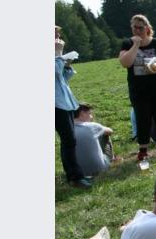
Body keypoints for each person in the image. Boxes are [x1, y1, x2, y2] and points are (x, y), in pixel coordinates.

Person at [118, 14, 156, 162]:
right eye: (134, 27)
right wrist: (136, 45)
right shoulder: (127, 44)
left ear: (147, 28)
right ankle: (143, 150)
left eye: (140, 27)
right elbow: (125, 63)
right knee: (142, 118)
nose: (137, 30)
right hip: (139, 91)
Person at [55, 25, 90, 189]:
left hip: (64, 101)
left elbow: (62, 79)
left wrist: (67, 64)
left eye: (58, 33)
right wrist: (58, 54)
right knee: (68, 139)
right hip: (55, 104)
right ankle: (75, 177)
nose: (58, 36)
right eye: (54, 33)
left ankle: (75, 175)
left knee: (69, 139)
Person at [73, 103, 114, 177]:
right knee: (105, 135)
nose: (91, 117)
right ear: (82, 113)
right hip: (100, 169)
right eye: (89, 114)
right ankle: (111, 159)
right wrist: (94, 125)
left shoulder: (67, 130)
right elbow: (110, 131)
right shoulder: (92, 126)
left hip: (77, 173)